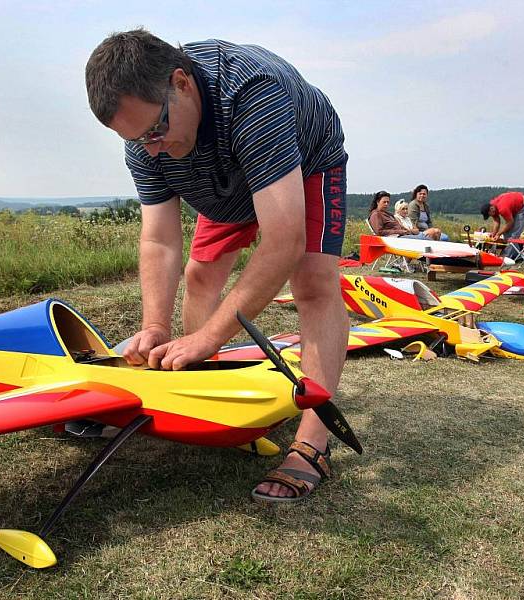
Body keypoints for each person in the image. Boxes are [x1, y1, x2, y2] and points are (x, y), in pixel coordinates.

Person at [86, 30, 351, 502]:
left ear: (181, 83)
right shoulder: (148, 137)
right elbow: (160, 239)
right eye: (132, 139)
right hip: (218, 172)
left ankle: (312, 444)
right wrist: (155, 326)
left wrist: (207, 338)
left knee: (312, 284)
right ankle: (198, 398)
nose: (148, 148)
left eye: (153, 131)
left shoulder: (254, 93)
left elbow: (284, 239)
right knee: (201, 274)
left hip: (303, 160)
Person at [480, 191, 524, 259]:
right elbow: (496, 220)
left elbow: (510, 223)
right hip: (515, 206)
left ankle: (506, 257)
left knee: (514, 234)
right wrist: (494, 233)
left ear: (491, 209)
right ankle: (516, 255)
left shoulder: (502, 208)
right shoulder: (492, 206)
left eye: (489, 215)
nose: (490, 216)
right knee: (506, 234)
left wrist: (498, 234)